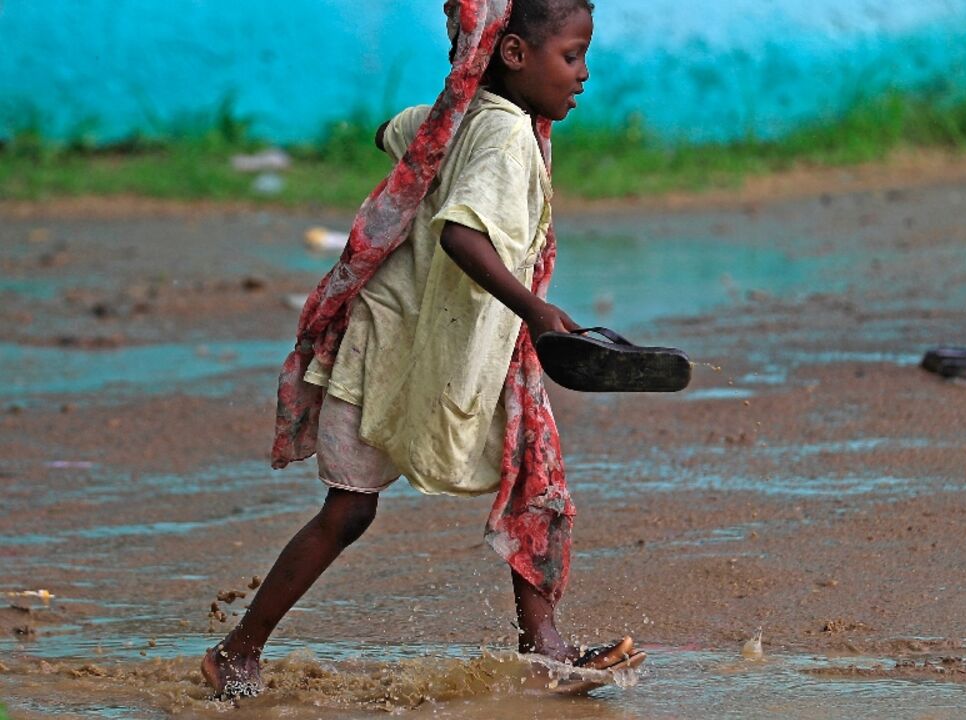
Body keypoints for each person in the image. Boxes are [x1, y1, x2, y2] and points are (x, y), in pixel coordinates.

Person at [202, 0, 642, 698]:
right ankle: (238, 649)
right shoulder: (503, 139)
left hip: (438, 346)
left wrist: (423, 124)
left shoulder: (460, 114)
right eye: (572, 56)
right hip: (402, 348)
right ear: (515, 55)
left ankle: (543, 647)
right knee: (356, 509)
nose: (584, 74)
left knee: (527, 480)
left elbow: (395, 132)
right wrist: (537, 309)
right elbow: (461, 236)